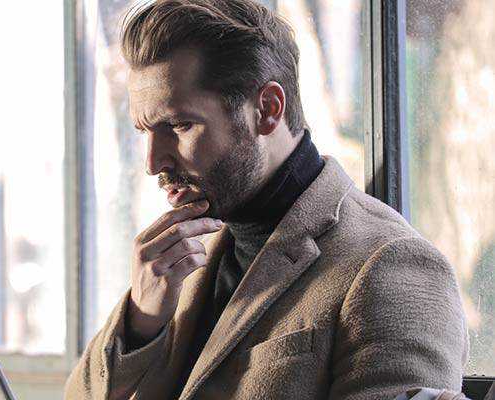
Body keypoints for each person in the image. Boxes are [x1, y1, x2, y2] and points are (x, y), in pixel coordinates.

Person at [64, 1, 468, 399]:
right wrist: (141, 320)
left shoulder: (393, 267)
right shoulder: (183, 256)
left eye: (180, 125)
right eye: (145, 130)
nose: (153, 162)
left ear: (268, 109)